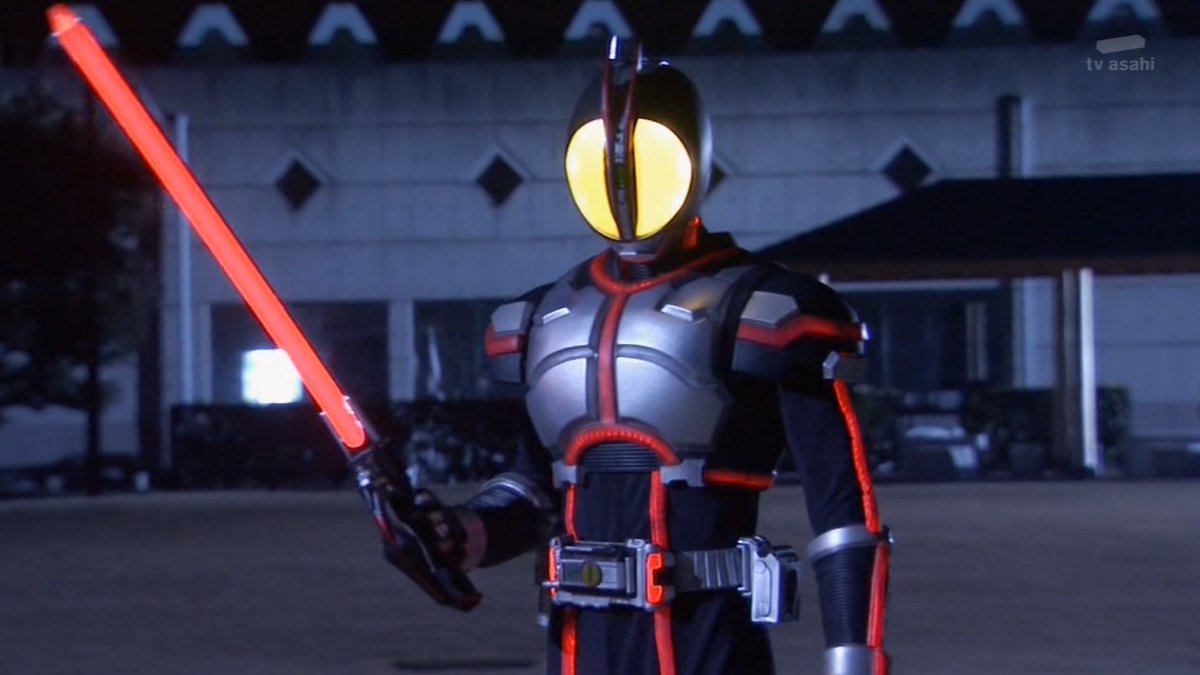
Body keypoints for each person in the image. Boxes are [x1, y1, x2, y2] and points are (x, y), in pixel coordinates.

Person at [388, 40, 892, 675]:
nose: (622, 181)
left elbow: (844, 513)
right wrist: (466, 532)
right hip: (579, 640)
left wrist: (854, 657)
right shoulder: (543, 317)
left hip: (705, 639)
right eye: (597, 159)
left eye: (649, 157)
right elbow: (535, 487)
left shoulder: (770, 309)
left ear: (694, 161)